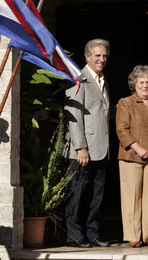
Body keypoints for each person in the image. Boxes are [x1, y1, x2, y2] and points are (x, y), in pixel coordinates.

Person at [63, 39, 111, 248]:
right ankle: (74, 235)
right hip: (82, 150)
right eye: (97, 55)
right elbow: (73, 115)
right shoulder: (78, 79)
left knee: (95, 195)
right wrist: (80, 147)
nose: (102, 59)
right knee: (77, 193)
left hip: (101, 148)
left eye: (105, 56)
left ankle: (92, 234)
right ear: (88, 57)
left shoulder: (102, 80)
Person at [116, 65, 148, 248]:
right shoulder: (126, 102)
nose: (145, 86)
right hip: (131, 156)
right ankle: (133, 235)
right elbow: (122, 129)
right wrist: (137, 148)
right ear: (134, 84)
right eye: (141, 82)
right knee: (132, 197)